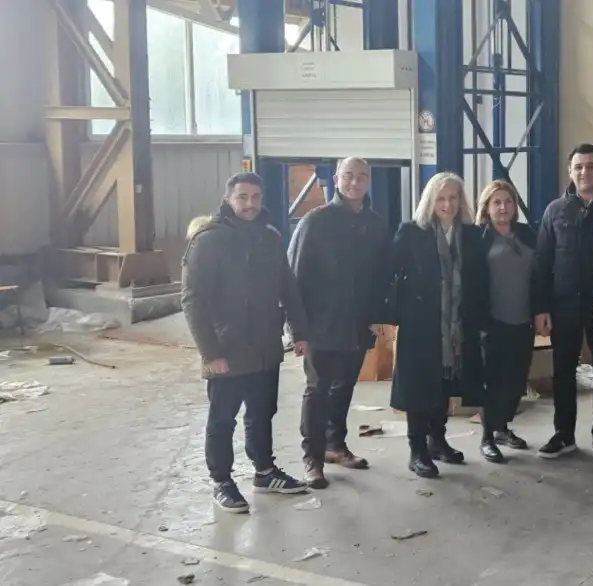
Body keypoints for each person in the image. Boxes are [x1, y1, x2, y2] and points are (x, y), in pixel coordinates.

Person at [181, 172, 311, 513]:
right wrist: (210, 353)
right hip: (227, 348)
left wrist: (299, 331)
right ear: (228, 199)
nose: (250, 204)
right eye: (242, 197)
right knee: (223, 418)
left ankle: (264, 472)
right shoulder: (208, 241)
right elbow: (193, 301)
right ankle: (222, 481)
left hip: (266, 345)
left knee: (262, 412)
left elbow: (288, 287)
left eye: (255, 197)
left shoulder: (269, 237)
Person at [287, 157, 391, 489]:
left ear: (368, 181)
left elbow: (381, 278)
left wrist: (378, 317)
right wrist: (296, 330)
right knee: (317, 390)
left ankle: (335, 445)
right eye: (348, 176)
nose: (355, 182)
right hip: (321, 325)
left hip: (358, 325)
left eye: (361, 176)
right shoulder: (315, 222)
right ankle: (313, 458)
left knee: (344, 387)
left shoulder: (376, 225)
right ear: (336, 179)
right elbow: (294, 278)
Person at [384, 172, 487, 479]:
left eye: (453, 197)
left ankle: (437, 441)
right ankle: (417, 450)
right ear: (430, 200)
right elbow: (388, 272)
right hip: (420, 322)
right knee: (419, 386)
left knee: (445, 382)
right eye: (441, 198)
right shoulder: (411, 232)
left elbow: (480, 279)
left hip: (456, 323)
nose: (447, 204)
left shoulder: (470, 234)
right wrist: (387, 314)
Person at [534, 143, 593, 462]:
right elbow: (542, 262)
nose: (584, 172)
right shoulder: (555, 211)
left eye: (590, 166)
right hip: (564, 306)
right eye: (578, 167)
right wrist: (541, 308)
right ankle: (564, 435)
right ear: (570, 171)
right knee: (563, 371)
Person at [476, 180, 539, 463]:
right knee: (492, 381)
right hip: (491, 322)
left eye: (508, 201)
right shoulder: (478, 238)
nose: (503, 207)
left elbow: (540, 274)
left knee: (516, 381)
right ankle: (487, 437)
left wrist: (541, 310)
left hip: (523, 320)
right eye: (497, 202)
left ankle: (502, 429)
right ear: (487, 207)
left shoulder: (527, 233)